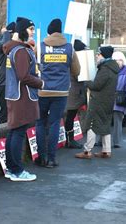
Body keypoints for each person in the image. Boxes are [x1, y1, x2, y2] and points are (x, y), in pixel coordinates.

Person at [34, 19, 80, 168]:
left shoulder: (40, 47)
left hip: (43, 90)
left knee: (40, 123)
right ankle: (52, 158)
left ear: (49, 31)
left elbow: (33, 67)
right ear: (61, 32)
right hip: (61, 92)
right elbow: (76, 71)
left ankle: (42, 157)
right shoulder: (69, 48)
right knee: (54, 123)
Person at [2, 17, 44, 181]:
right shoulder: (20, 51)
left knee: (14, 132)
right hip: (22, 96)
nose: (33, 32)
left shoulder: (14, 49)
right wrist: (40, 82)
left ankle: (11, 169)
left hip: (15, 95)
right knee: (18, 132)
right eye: (30, 29)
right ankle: (17, 170)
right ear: (22, 31)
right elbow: (23, 76)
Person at [75, 46, 119, 159]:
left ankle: (87, 150)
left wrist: (86, 81)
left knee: (92, 124)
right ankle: (106, 150)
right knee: (105, 125)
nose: (96, 56)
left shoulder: (105, 69)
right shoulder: (112, 68)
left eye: (98, 54)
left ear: (103, 56)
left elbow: (96, 86)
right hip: (108, 101)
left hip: (99, 101)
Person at [63, 39, 88, 149]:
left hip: (72, 91)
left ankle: (70, 139)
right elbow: (79, 75)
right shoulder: (76, 60)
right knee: (70, 116)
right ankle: (70, 140)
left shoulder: (70, 57)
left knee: (70, 116)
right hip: (74, 92)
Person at [111, 52, 126, 149]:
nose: (117, 62)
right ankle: (101, 140)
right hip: (110, 98)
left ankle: (116, 141)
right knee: (105, 120)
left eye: (119, 60)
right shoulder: (110, 70)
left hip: (120, 99)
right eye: (115, 60)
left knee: (117, 121)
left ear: (123, 60)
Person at [0, 22, 16, 124]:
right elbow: (6, 46)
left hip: (14, 83)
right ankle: (0, 138)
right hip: (5, 83)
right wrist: (7, 33)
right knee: (5, 113)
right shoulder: (0, 44)